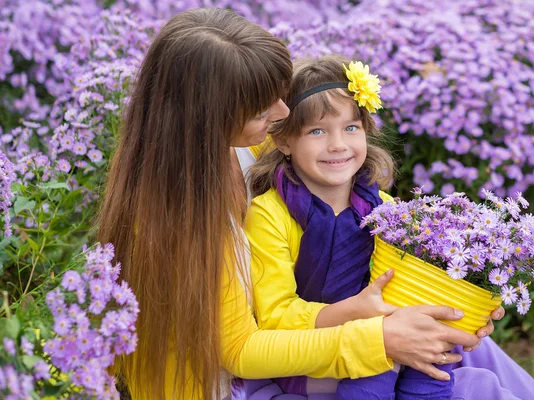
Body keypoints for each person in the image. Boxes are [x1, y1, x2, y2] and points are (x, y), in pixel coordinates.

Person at [97, 8, 487, 400]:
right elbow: (240, 351)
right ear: (209, 117)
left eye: (278, 95)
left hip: (302, 340)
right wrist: (379, 341)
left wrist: (469, 299)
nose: (283, 113)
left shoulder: (251, 144)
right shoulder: (180, 215)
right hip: (226, 382)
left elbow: (330, 143)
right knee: (468, 383)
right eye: (261, 106)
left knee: (465, 353)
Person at [240, 55, 534, 400]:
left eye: (351, 128)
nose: (337, 145)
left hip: (394, 342)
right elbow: (274, 316)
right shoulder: (271, 214)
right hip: (317, 360)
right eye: (317, 131)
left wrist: (468, 308)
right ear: (285, 141)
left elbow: (420, 285)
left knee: (444, 360)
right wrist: (358, 312)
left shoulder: (386, 210)